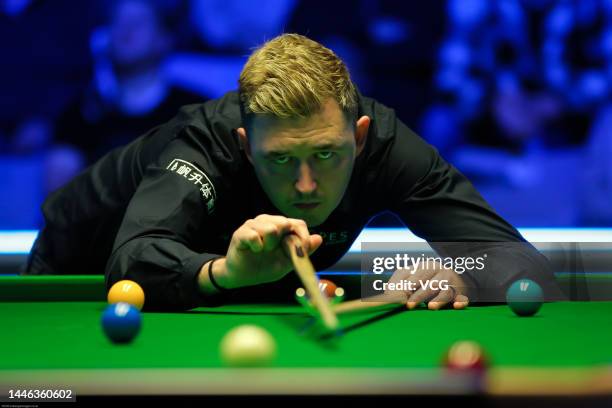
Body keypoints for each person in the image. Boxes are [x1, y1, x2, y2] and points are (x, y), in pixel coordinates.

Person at [24, 34, 561, 311]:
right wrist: (223, 274)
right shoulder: (204, 142)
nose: (305, 185)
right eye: (281, 159)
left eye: (326, 155)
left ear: (359, 136)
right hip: (76, 271)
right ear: (246, 146)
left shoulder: (391, 147)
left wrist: (463, 273)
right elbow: (133, 256)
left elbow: (522, 264)